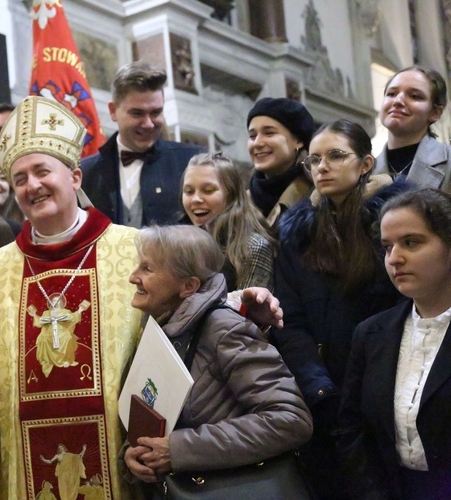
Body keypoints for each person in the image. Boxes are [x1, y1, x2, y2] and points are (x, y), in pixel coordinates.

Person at [0, 96, 286, 499]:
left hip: (125, 462)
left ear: (74, 177)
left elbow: (187, 314)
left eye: (41, 171)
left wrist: (240, 303)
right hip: (26, 467)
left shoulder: (135, 248)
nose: (32, 185)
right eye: (19, 178)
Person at [123, 225, 312, 495]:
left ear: (188, 286)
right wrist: (135, 453)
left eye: (147, 269)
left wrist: (178, 450)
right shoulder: (160, 327)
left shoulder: (225, 328)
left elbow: (290, 419)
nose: (133, 277)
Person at [273, 119, 407, 497]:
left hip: (385, 387)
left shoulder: (395, 222)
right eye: (314, 160)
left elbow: (405, 307)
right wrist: (319, 388)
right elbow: (290, 319)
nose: (322, 167)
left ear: (365, 164)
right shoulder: (297, 231)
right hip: (323, 394)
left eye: (335, 156)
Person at [338, 188, 451, 499]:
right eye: (387, 247)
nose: (394, 258)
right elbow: (352, 430)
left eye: (411, 242)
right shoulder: (371, 333)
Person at [81, 61, 201, 227]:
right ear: (113, 111)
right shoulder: (85, 174)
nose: (148, 124)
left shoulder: (192, 163)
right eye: (137, 113)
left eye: (156, 112)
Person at [180, 152, 276, 291]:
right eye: (189, 191)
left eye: (208, 191)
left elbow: (246, 311)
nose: (196, 199)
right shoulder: (178, 245)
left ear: (231, 195)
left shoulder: (253, 248)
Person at [374, 65, 451, 192]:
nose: (398, 101)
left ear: (435, 113)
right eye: (391, 94)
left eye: (415, 96)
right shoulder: (365, 171)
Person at [247, 97, 316, 226]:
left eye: (269, 133)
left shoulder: (316, 196)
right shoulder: (239, 202)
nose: (257, 143)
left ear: (299, 141)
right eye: (252, 136)